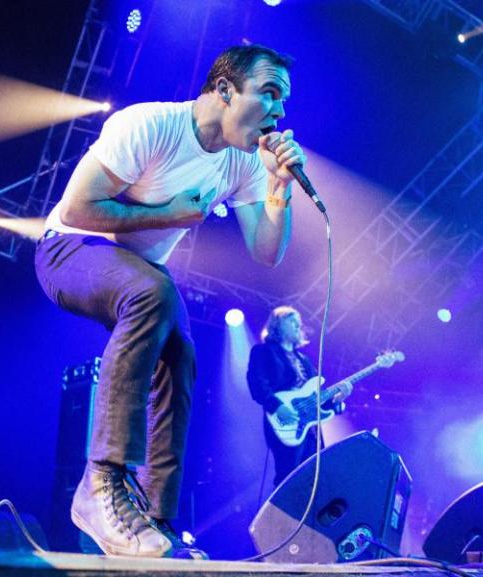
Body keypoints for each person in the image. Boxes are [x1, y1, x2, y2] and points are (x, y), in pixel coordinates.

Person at [34, 44, 306, 558]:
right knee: (155, 293)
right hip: (66, 249)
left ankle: (152, 522)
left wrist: (278, 186)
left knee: (181, 354)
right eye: (269, 93)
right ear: (225, 91)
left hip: (139, 273)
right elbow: (78, 207)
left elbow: (266, 253)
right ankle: (100, 486)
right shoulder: (151, 124)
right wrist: (168, 214)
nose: (279, 111)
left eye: (284, 100)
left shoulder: (244, 163)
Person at [247, 306, 346, 486]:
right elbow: (257, 384)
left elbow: (317, 397)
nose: (297, 324)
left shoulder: (304, 360)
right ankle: (279, 514)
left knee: (312, 480)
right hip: (284, 419)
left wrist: (337, 400)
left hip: (310, 428)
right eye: (292, 320)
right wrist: (277, 406)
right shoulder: (263, 351)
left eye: (298, 322)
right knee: (288, 478)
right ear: (277, 325)